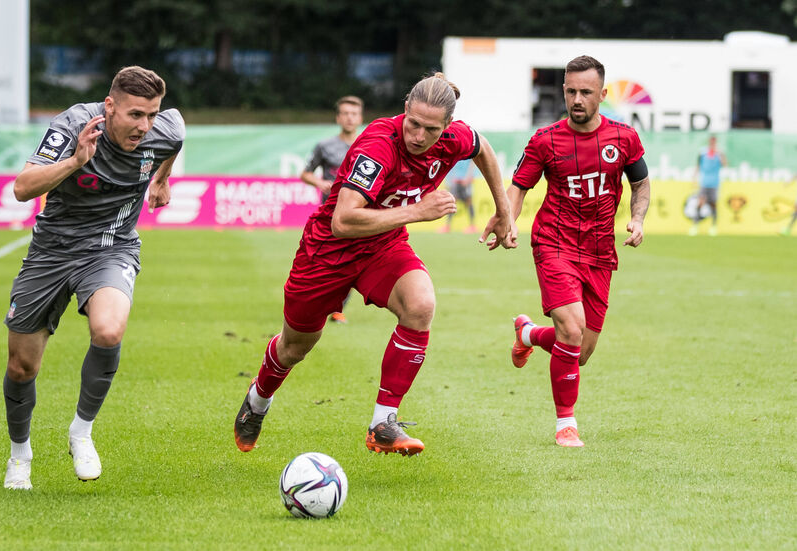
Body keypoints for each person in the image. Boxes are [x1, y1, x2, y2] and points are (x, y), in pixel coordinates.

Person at [234, 73, 515, 457]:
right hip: (328, 252)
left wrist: (503, 211)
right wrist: (418, 211)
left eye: (430, 129)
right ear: (404, 110)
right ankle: (258, 398)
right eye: (412, 123)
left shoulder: (455, 137)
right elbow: (343, 221)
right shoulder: (378, 145)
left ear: (447, 127)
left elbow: (484, 149)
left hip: (383, 246)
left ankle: (383, 423)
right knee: (295, 347)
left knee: (421, 305)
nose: (418, 135)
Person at [0, 66, 184, 490]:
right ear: (109, 106)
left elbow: (176, 135)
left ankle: (81, 431)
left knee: (108, 329)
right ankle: (20, 455)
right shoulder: (71, 126)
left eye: (151, 115)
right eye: (135, 115)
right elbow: (23, 187)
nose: (145, 126)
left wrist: (162, 178)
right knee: (22, 366)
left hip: (111, 246)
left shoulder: (163, 130)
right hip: (51, 251)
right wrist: (76, 160)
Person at [501, 55, 651, 448]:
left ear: (603, 94)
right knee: (571, 328)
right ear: (563, 91)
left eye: (586, 92)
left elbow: (641, 184)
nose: (577, 99)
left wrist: (638, 219)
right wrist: (508, 219)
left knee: (579, 351)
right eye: (571, 91)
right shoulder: (545, 139)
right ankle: (566, 424)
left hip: (600, 251)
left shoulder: (624, 138)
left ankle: (529, 333)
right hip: (554, 241)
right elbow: (518, 187)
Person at [300, 95, 364, 324]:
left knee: (353, 262)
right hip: (328, 215)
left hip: (357, 216)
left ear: (360, 117)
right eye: (345, 113)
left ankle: (337, 308)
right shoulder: (325, 146)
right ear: (338, 117)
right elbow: (305, 173)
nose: (349, 118)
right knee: (320, 262)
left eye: (354, 113)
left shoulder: (368, 145)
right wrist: (318, 182)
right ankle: (313, 302)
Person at [689, 135, 726, 236]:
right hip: (704, 182)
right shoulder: (703, 153)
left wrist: (720, 154)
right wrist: (694, 177)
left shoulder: (719, 153)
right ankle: (695, 226)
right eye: (711, 142)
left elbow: (725, 164)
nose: (712, 144)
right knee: (700, 203)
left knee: (713, 205)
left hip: (714, 183)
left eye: (714, 142)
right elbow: (698, 165)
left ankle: (713, 226)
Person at [440, 158, 477, 233]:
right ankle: (447, 226)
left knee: (469, 201)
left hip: (465, 180)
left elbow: (473, 163)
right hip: (455, 180)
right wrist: (451, 179)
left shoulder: (469, 150)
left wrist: (468, 177)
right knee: (451, 202)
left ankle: (472, 226)